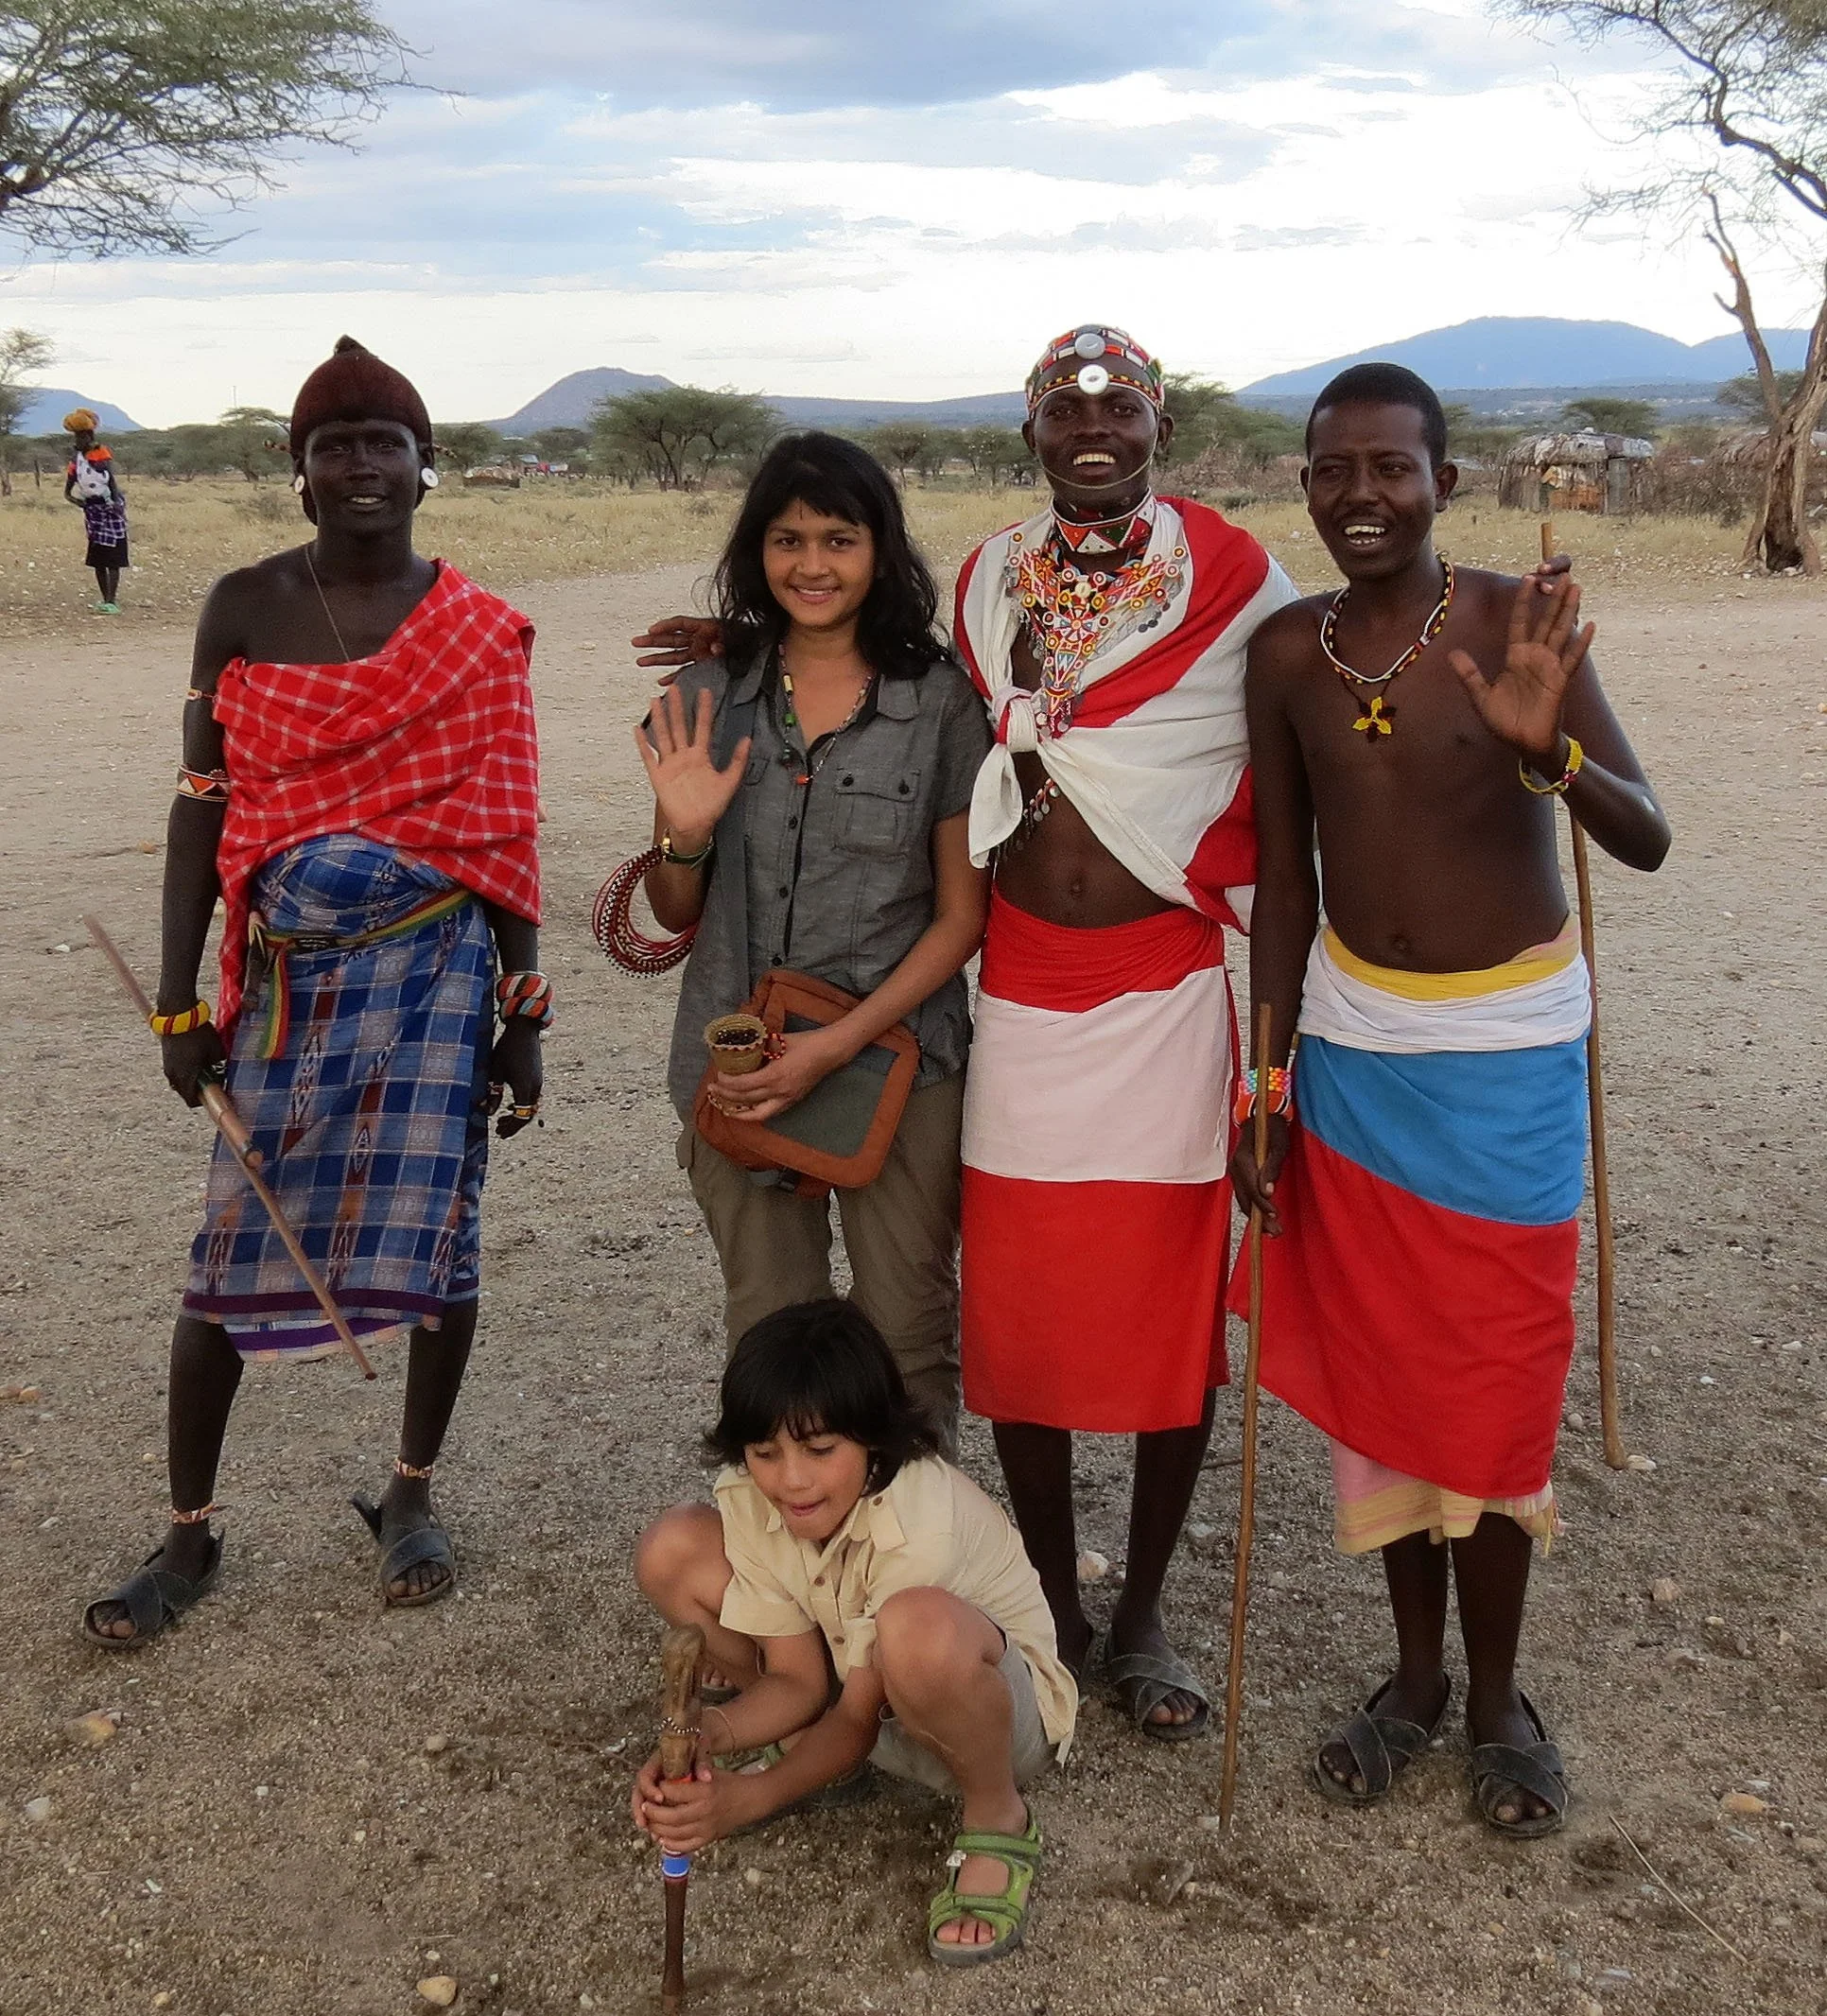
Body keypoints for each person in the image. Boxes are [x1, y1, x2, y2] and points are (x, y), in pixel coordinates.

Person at [1229, 361, 1670, 1835]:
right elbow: (1284, 882)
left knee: (1492, 1384)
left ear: (1445, 482)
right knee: (1384, 1385)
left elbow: (1646, 834)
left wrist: (1552, 753)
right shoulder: (1286, 654)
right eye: (1334, 469)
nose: (1362, 494)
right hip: (1355, 1052)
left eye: (1392, 468)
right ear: (1305, 485)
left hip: (1510, 1058)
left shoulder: (1511, 625)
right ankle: (1414, 1684)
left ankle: (1497, 1701)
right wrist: (1268, 1080)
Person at [82, 337, 546, 1646]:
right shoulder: (242, 605)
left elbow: (506, 832)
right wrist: (178, 1002)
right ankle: (187, 1533)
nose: (358, 466)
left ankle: (410, 1494)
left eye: (381, 443)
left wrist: (524, 1018)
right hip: (287, 991)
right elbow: (201, 806)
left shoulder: (476, 628)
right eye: (331, 447)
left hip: (440, 981)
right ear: (300, 473)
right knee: (229, 1255)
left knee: (441, 1240)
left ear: (425, 465)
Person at [632, 431, 991, 1453]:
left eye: (840, 538)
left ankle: (912, 1540)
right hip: (739, 1066)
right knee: (771, 1328)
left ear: (881, 550)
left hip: (901, 1062)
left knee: (907, 1328)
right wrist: (683, 835)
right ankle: (787, 1542)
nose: (813, 565)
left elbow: (962, 917)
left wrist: (835, 1045)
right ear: (758, 550)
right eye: (788, 539)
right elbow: (674, 910)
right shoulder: (707, 698)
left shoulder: (941, 703)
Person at [633, 1298, 1076, 1968]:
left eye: (820, 1449)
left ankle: (997, 1819)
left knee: (915, 1629)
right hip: (861, 1688)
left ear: (872, 1437)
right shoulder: (754, 1496)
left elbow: (857, 1721)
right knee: (673, 1547)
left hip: (996, 1721)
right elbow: (797, 1681)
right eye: (765, 1452)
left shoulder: (921, 1523)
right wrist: (702, 1737)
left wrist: (749, 1799)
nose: (791, 1479)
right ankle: (811, 1762)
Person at [63, 408, 130, 613]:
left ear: (89, 436)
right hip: (93, 511)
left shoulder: (100, 453)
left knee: (114, 558)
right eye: (76, 437)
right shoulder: (76, 460)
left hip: (109, 508)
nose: (78, 440)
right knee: (98, 559)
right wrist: (77, 501)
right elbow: (68, 488)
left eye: (81, 436)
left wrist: (115, 503)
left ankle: (112, 600)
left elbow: (110, 480)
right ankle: (106, 600)